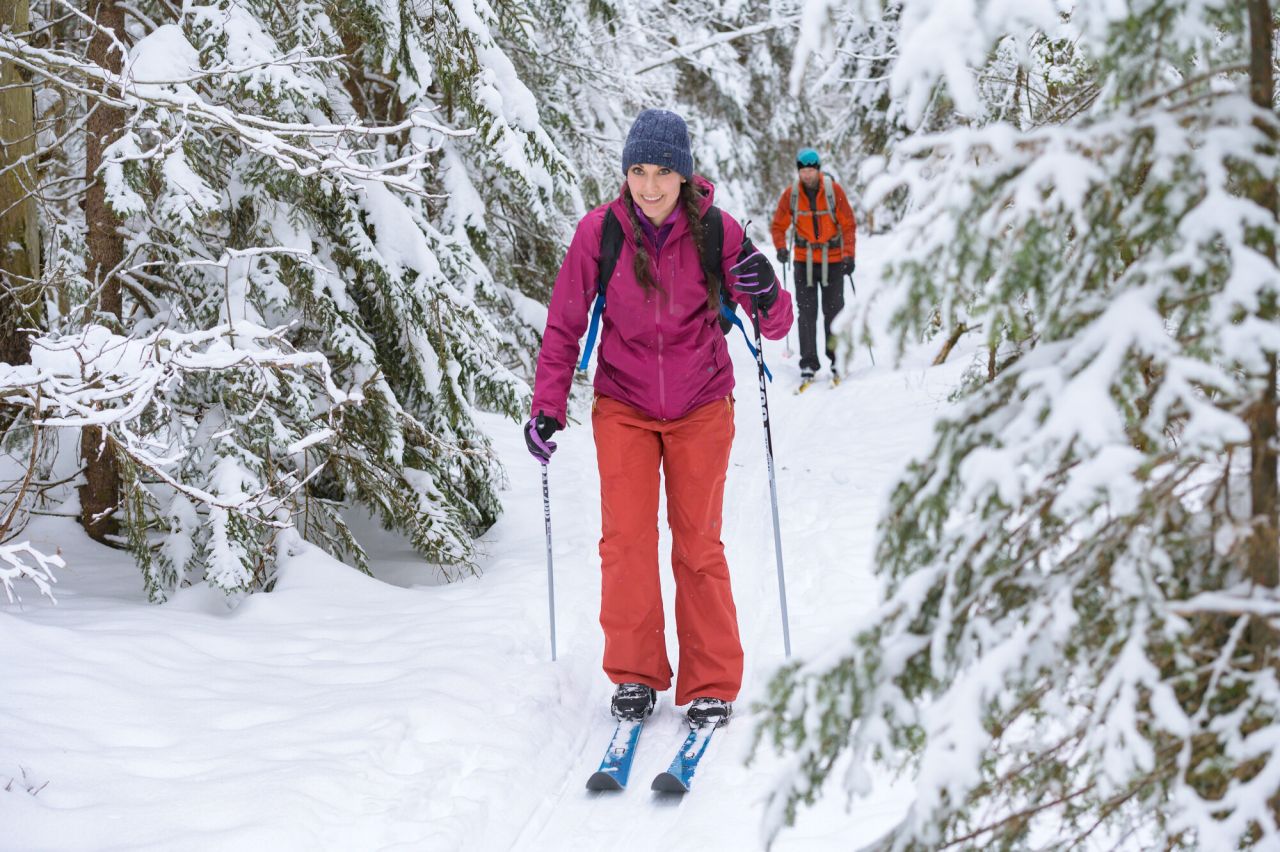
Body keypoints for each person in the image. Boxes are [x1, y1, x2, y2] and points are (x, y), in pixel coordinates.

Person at [523, 109, 794, 729]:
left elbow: (776, 325)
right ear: (625, 173)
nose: (649, 186)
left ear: (684, 174)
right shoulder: (601, 233)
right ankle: (637, 674)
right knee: (626, 545)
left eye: (663, 172)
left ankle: (711, 683)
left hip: (702, 404)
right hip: (623, 405)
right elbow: (565, 323)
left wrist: (765, 288)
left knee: (698, 545)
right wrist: (547, 404)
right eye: (638, 171)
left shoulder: (717, 233)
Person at [770, 148, 857, 384]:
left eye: (811, 171)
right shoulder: (792, 195)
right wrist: (780, 248)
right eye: (803, 171)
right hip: (803, 261)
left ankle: (837, 360)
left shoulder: (832, 191)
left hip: (834, 260)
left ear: (818, 170)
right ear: (799, 172)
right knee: (806, 314)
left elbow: (848, 224)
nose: (807, 175)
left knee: (834, 313)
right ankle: (808, 363)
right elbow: (778, 225)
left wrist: (849, 256)